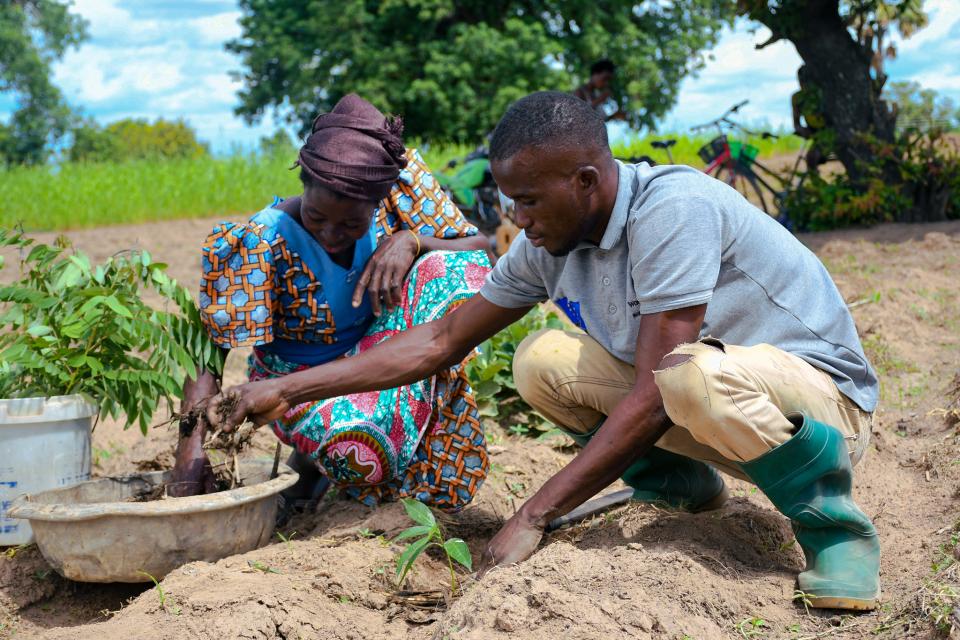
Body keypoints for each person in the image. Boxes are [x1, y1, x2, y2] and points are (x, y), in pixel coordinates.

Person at [207, 91, 881, 611]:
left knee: (686, 374)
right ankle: (682, 485)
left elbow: (655, 393)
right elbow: (440, 341)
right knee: (543, 365)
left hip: (822, 407)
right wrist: (287, 389)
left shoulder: (672, 211)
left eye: (529, 200)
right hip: (713, 398)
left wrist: (536, 513)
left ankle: (835, 530)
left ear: (586, 181)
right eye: (510, 201)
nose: (517, 220)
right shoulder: (544, 244)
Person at [179, 94, 492, 516]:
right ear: (303, 187)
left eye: (351, 224)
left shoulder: (398, 198)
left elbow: (478, 251)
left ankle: (381, 454)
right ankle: (313, 458)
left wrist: (412, 241)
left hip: (377, 354)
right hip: (291, 381)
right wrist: (190, 453)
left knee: (451, 269)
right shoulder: (261, 241)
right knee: (359, 451)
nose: (331, 233)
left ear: (378, 201)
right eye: (317, 217)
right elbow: (208, 355)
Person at [791, 65, 829, 172]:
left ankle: (817, 186)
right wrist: (802, 130)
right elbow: (796, 123)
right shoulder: (797, 98)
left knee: (812, 157)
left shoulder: (822, 95)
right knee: (811, 158)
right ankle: (816, 185)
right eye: (802, 80)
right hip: (815, 134)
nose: (804, 84)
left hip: (828, 133)